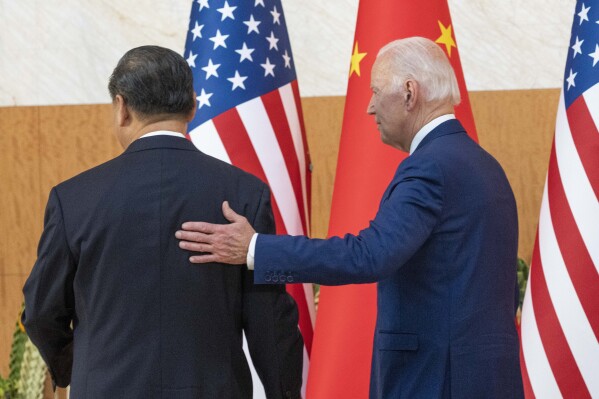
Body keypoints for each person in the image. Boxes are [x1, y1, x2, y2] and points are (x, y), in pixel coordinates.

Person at [176, 37, 524, 398]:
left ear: (409, 93)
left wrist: (255, 249)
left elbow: (368, 256)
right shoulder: (485, 165)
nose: (370, 108)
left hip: (436, 379)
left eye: (375, 91)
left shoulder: (430, 168)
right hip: (485, 377)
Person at [22, 45, 303, 398]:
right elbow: (270, 321)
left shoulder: (73, 198)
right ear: (193, 106)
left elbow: (41, 311)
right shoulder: (246, 194)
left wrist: (76, 366)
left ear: (122, 107)